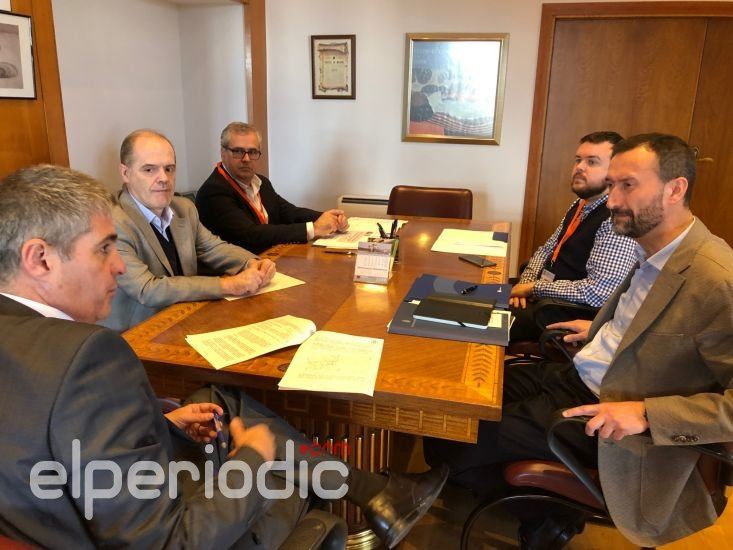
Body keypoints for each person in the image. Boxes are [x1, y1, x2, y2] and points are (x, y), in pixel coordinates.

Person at [0, 165, 449, 549]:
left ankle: (378, 493)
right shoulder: (89, 356)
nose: (118, 265)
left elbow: (52, 438)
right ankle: (369, 498)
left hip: (81, 506)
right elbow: (166, 542)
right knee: (286, 473)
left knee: (217, 398)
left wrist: (159, 422)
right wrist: (251, 458)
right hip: (167, 528)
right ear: (40, 259)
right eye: (103, 249)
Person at [425, 134, 733, 547]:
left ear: (675, 189)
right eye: (612, 185)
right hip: (576, 375)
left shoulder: (715, 279)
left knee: (456, 445)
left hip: (609, 417)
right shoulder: (654, 248)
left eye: (628, 185)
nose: (612, 200)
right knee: (448, 408)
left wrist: (646, 414)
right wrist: (600, 328)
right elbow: (652, 326)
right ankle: (541, 507)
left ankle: (551, 516)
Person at [102, 129, 276, 332]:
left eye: (169, 168)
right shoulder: (111, 223)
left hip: (186, 318)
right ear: (125, 173)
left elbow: (213, 248)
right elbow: (148, 289)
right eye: (149, 170)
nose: (163, 178)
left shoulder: (183, 208)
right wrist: (228, 285)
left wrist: (252, 263)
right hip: (138, 334)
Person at [509, 131, 637, 341]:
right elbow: (547, 249)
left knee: (481, 316)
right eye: (578, 160)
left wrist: (534, 288)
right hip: (545, 298)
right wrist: (527, 281)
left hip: (569, 312)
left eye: (592, 162)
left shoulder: (615, 218)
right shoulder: (581, 204)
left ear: (615, 171)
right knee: (478, 297)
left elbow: (599, 291)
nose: (580, 167)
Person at [195, 122, 349, 254]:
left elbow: (289, 213)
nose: (246, 159)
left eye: (252, 152)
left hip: (268, 259)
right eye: (238, 151)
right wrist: (314, 228)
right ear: (223, 153)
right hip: (234, 272)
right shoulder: (213, 191)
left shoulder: (261, 182)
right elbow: (251, 234)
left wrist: (328, 218)